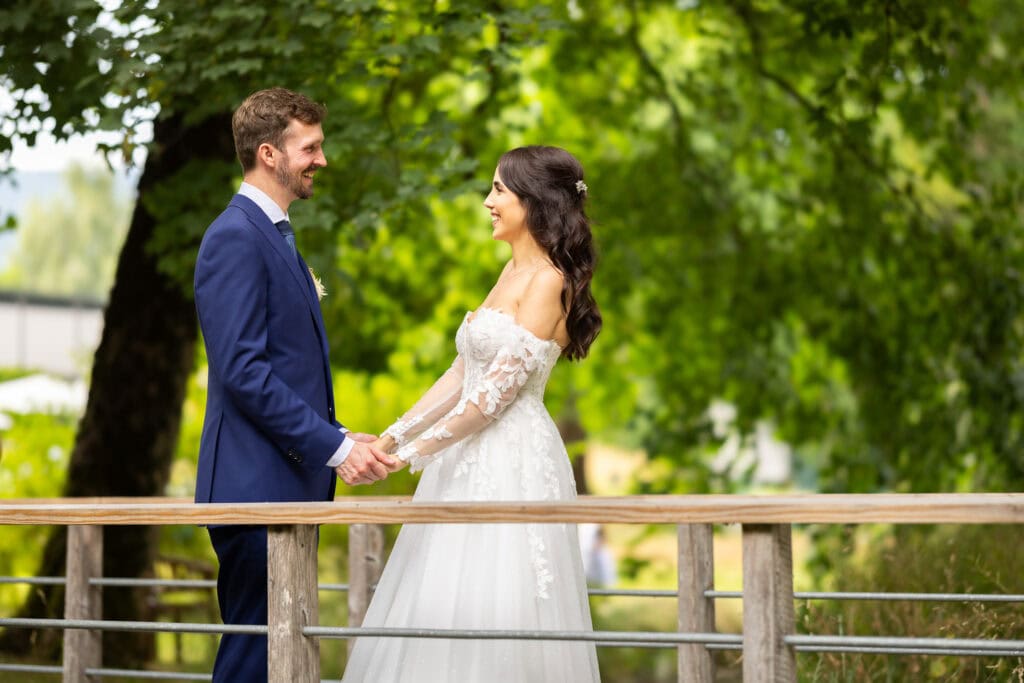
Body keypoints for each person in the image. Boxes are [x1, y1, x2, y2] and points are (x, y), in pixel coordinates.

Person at [342, 145, 603, 682]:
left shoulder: (548, 281)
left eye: (499, 190)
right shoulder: (510, 272)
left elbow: (492, 400)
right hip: (463, 457)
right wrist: (390, 438)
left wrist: (409, 455)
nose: (488, 201)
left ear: (534, 202)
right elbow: (462, 375)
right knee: (440, 590)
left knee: (497, 595)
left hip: (512, 460)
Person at [193, 87, 395, 683]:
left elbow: (280, 368)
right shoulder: (235, 236)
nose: (322, 160)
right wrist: (336, 451)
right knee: (255, 655)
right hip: (253, 488)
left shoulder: (273, 233)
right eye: (310, 147)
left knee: (279, 651)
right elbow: (244, 373)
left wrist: (335, 433)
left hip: (282, 482)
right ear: (269, 154)